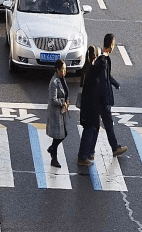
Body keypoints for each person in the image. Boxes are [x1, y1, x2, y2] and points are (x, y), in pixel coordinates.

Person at [77, 33, 126, 166]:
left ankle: (91, 152)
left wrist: (115, 84)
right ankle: (84, 155)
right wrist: (104, 101)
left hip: (97, 102)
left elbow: (106, 78)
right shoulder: (99, 64)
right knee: (92, 127)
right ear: (111, 44)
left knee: (98, 126)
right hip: (97, 103)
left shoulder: (96, 65)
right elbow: (100, 83)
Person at [46, 59, 70, 168]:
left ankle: (52, 149)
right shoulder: (54, 82)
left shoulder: (62, 79)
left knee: (62, 134)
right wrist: (63, 102)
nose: (64, 72)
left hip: (61, 112)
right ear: (57, 69)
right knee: (59, 135)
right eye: (62, 70)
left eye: (65, 69)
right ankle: (53, 157)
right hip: (56, 112)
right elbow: (53, 100)